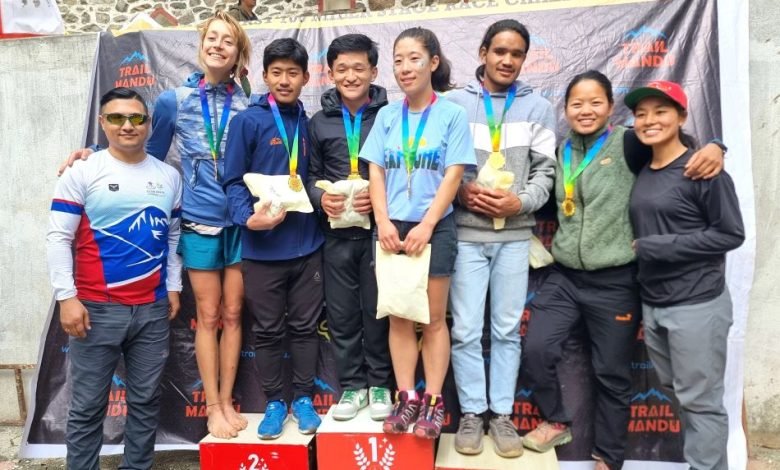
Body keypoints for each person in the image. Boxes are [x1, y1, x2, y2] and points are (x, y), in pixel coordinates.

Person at [59, 11, 253, 439]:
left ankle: (228, 402)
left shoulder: (250, 103)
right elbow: (145, 153)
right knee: (208, 315)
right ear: (201, 44)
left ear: (239, 53)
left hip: (243, 223)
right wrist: (92, 154)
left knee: (234, 314)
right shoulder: (174, 101)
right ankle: (214, 409)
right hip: (199, 222)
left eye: (228, 41)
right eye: (212, 38)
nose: (218, 45)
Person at [520, 70, 726, 470]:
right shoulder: (562, 151)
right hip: (565, 276)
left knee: (611, 374)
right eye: (577, 103)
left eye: (596, 102)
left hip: (615, 281)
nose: (586, 110)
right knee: (536, 348)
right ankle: (557, 419)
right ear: (565, 109)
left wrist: (716, 147)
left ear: (611, 107)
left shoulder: (629, 143)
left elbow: (677, 150)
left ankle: (609, 457)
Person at [46, 87, 183, 470]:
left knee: (146, 401)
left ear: (148, 124)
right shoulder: (83, 171)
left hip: (152, 310)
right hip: (95, 309)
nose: (127, 125)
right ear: (102, 122)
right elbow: (58, 237)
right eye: (117, 118)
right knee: (88, 405)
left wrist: (173, 287)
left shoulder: (169, 176)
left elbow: (173, 236)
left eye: (136, 118)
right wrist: (66, 297)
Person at [359, 27, 476, 439]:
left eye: (414, 58)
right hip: (392, 229)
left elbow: (454, 175)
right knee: (399, 317)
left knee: (433, 319)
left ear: (433, 62)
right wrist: (383, 221)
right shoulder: (387, 116)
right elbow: (375, 171)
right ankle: (406, 397)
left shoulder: (452, 115)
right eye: (398, 60)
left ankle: (433, 401)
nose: (405, 68)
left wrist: (427, 224)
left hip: (435, 227)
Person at [446, 19, 556, 458]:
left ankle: (503, 415)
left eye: (516, 54)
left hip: (514, 238)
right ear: (483, 53)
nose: (507, 60)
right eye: (500, 51)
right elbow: (441, 167)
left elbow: (546, 172)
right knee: (466, 330)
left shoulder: (539, 108)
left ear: (524, 58)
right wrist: (461, 192)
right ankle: (472, 413)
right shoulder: (455, 104)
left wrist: (520, 203)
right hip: (466, 236)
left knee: (507, 330)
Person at [626, 81, 744, 470]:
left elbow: (730, 234)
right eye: (641, 114)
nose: (649, 120)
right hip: (655, 303)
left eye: (661, 111)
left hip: (697, 302)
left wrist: (658, 247)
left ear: (681, 117)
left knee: (701, 402)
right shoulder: (642, 164)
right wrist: (717, 143)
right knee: (683, 395)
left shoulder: (703, 170)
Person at [223, 37, 325, 440]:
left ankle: (303, 398)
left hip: (308, 246)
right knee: (267, 331)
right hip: (262, 250)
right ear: (265, 76)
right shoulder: (247, 122)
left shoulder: (309, 123)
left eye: (293, 73)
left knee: (304, 328)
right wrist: (248, 219)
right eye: (277, 72)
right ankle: (273, 403)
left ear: (306, 78)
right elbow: (232, 181)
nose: (285, 80)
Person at [305, 34, 393, 422]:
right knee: (341, 317)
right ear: (330, 73)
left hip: (379, 235)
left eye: (359, 68)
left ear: (373, 71)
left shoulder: (391, 116)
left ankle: (380, 385)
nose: (351, 76)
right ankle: (353, 386)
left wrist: (378, 198)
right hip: (335, 235)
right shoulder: (319, 122)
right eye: (342, 69)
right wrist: (319, 198)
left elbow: (401, 171)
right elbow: (309, 176)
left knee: (378, 314)